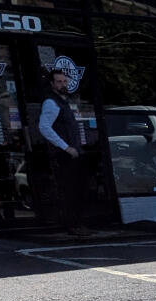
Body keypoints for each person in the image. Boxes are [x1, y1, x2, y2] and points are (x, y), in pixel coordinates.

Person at [38, 68, 86, 235]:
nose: (63, 84)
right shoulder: (51, 103)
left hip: (73, 152)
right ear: (52, 84)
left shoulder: (63, 102)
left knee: (76, 188)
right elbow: (44, 127)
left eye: (64, 81)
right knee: (68, 189)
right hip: (64, 154)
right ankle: (71, 225)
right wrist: (65, 147)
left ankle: (77, 223)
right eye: (59, 82)